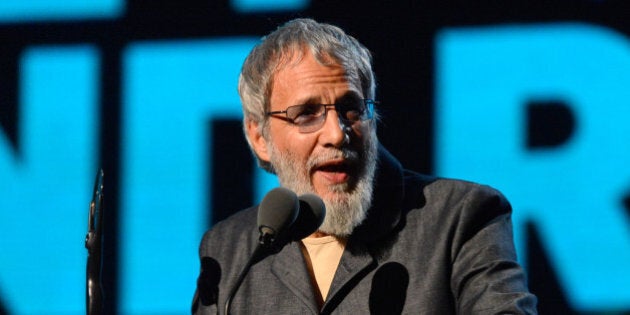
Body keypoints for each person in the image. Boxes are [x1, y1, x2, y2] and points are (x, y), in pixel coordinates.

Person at [192, 18, 537, 314]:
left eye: (351, 109)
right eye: (307, 113)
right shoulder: (229, 252)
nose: (336, 133)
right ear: (259, 137)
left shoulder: (460, 219)